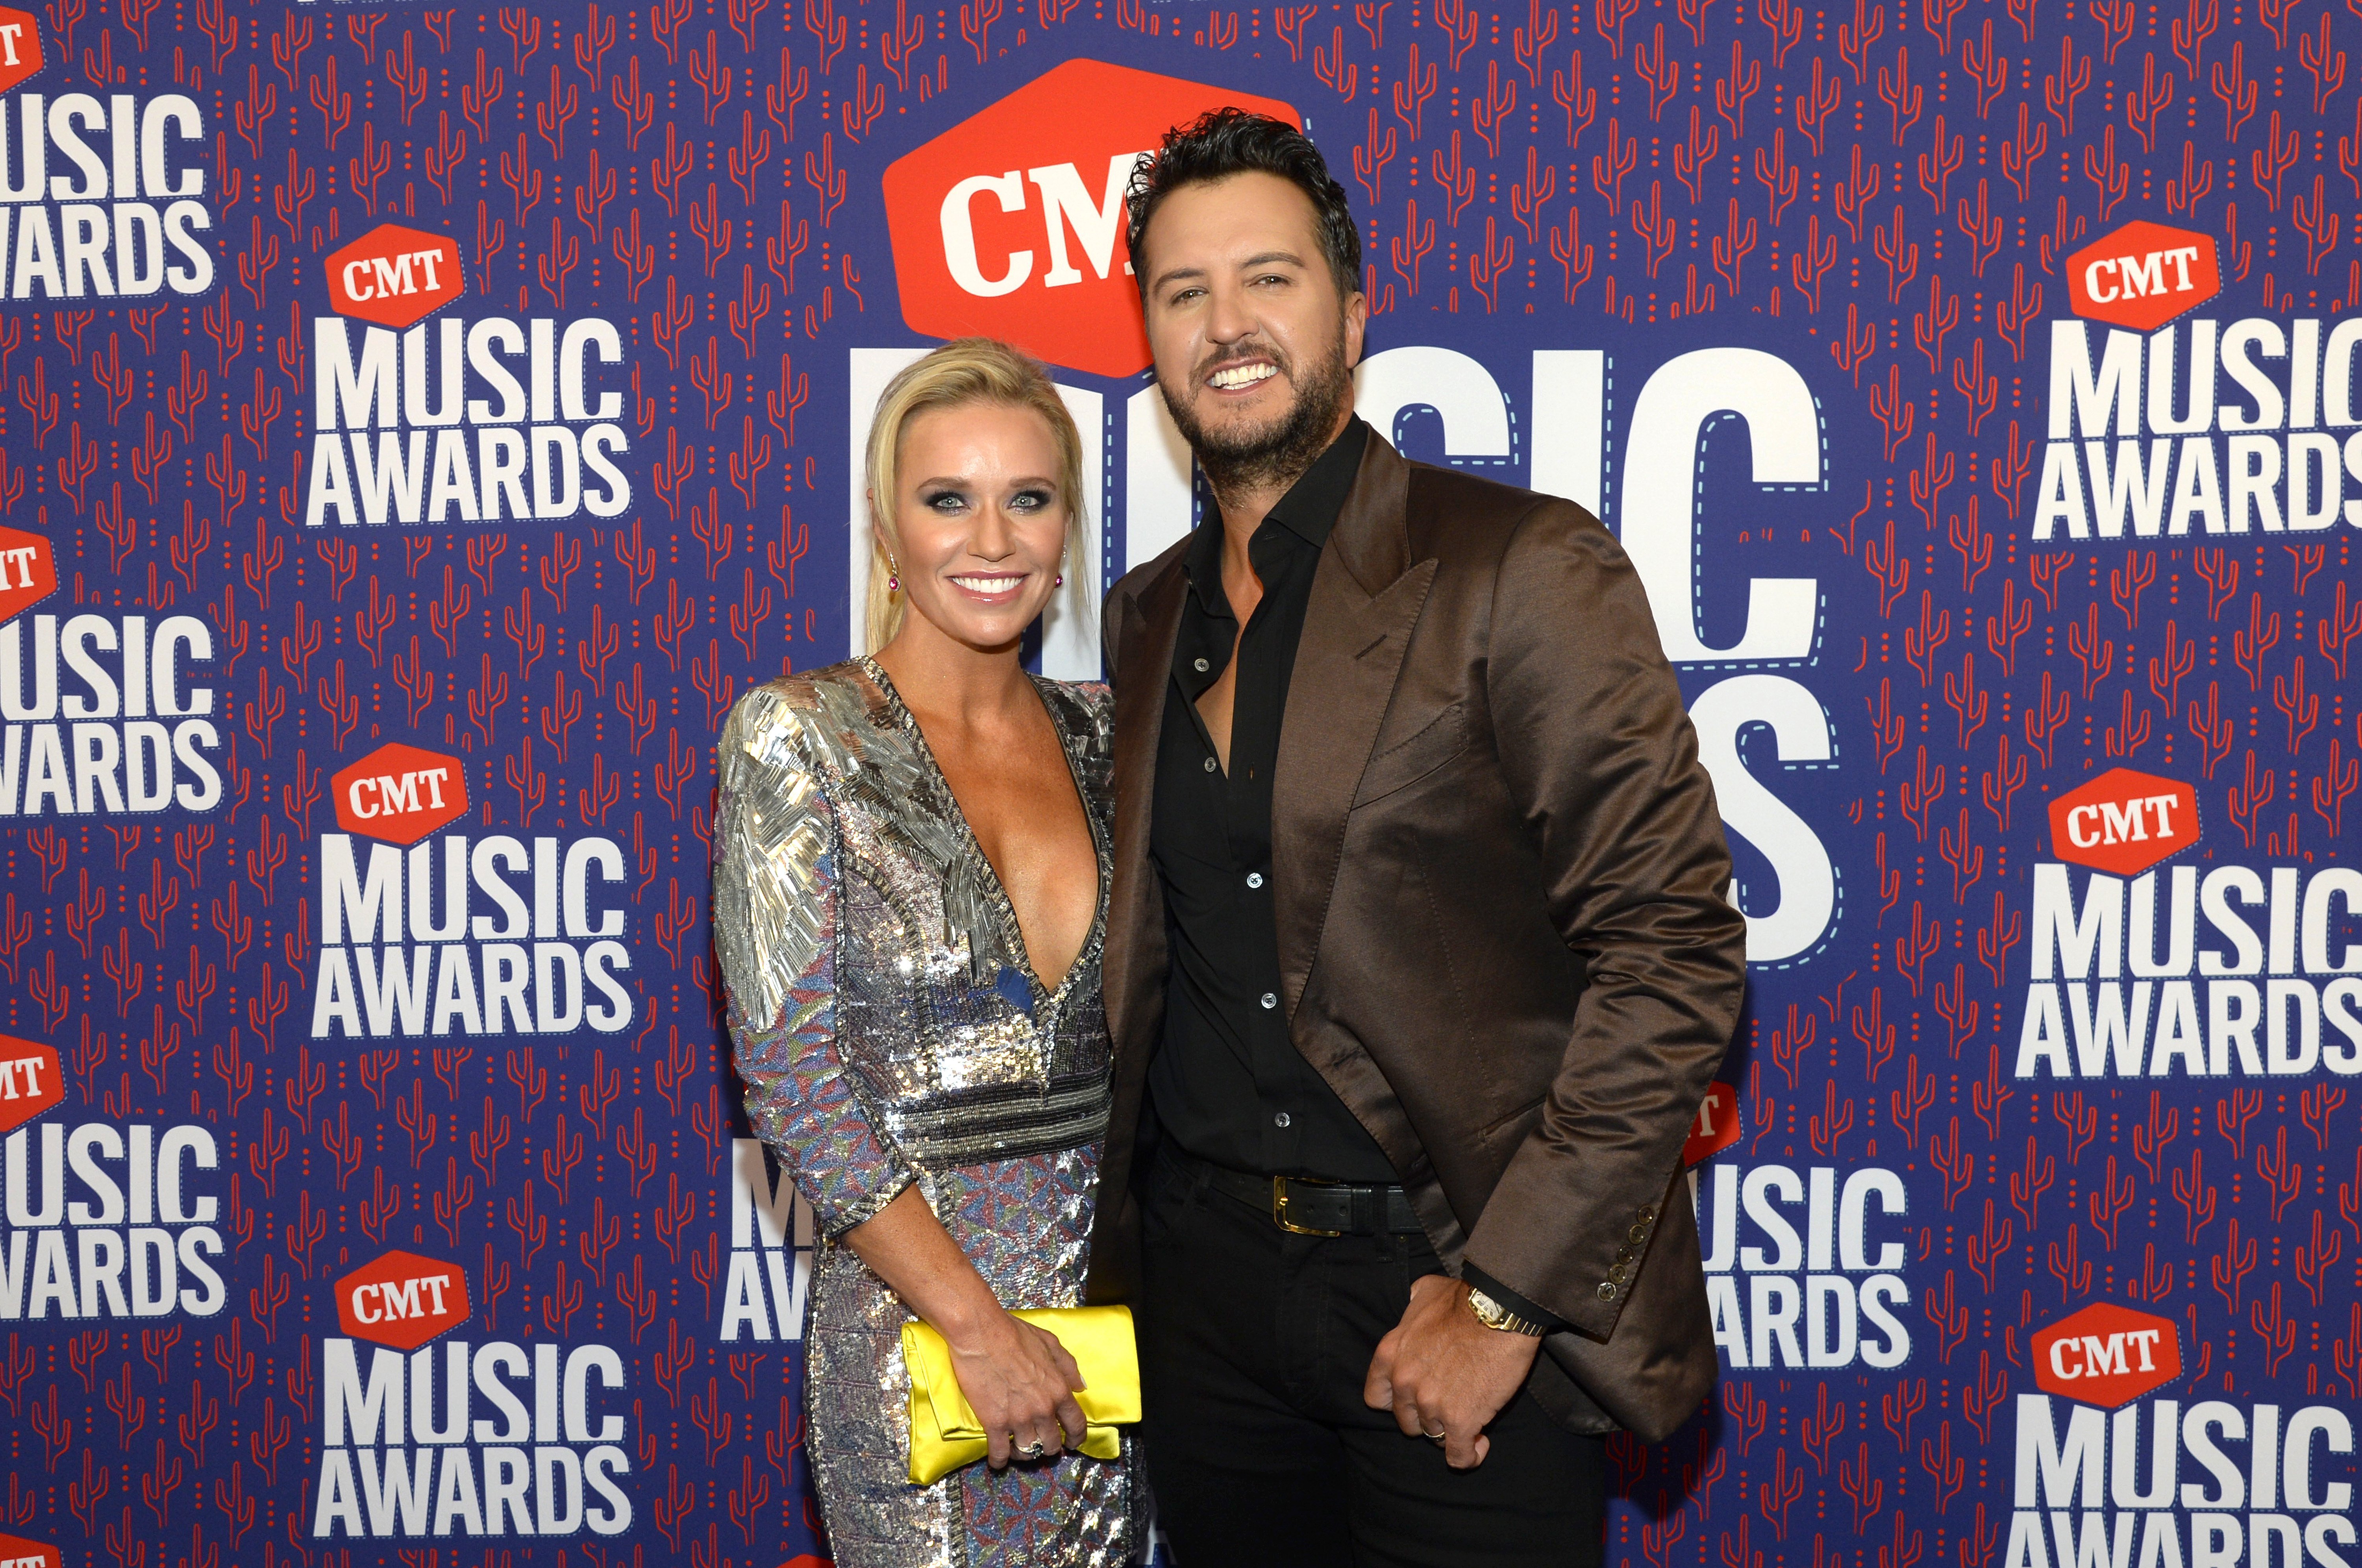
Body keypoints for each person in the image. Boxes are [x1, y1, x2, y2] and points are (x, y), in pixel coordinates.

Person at [1086, 110, 1750, 1565]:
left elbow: (1676, 956)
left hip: (1443, 1289)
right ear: (1148, 340)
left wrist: (1506, 1298)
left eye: (1268, 277)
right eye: (1182, 291)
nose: (1228, 324)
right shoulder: (1143, 617)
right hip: (1200, 1310)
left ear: (1354, 307)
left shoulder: (1519, 566)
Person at [713, 338, 1138, 1567]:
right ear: (887, 537)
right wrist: (976, 1324)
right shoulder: (801, 739)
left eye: (1030, 498)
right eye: (948, 500)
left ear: (1066, 535)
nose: (991, 539)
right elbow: (797, 1087)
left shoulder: (1112, 737)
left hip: (1108, 1336)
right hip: (920, 1347)